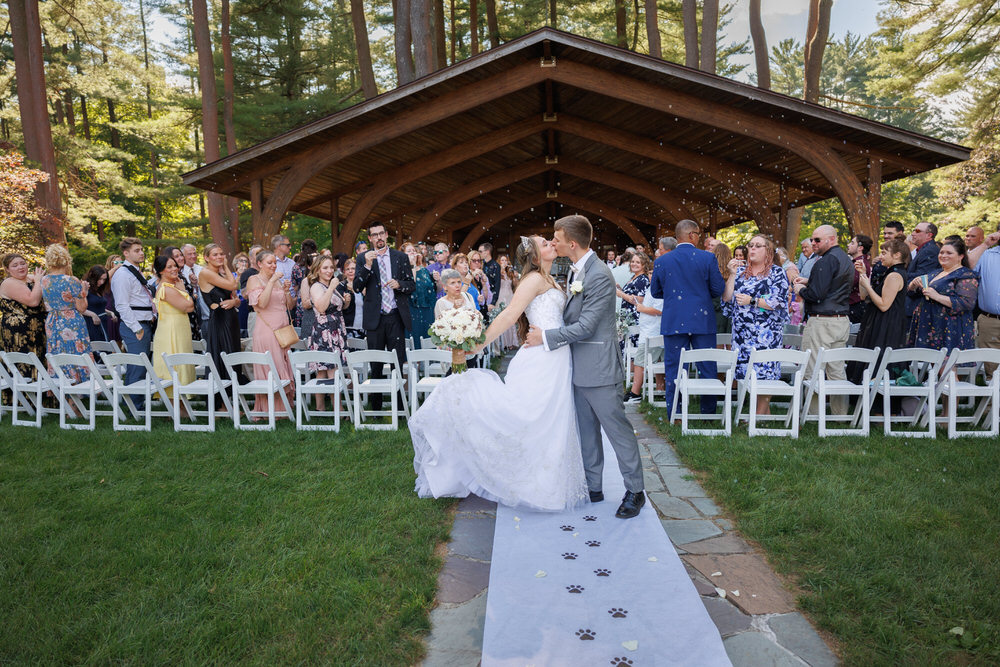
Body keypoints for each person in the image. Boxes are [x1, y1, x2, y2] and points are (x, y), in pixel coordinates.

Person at [411, 237, 587, 512]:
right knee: (529, 417)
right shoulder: (532, 280)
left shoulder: (550, 279)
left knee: (549, 419)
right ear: (534, 255)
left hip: (554, 357)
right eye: (545, 243)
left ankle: (547, 478)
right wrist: (479, 343)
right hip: (541, 360)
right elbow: (509, 315)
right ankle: (520, 477)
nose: (552, 243)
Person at [525, 215, 646, 519]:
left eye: (557, 238)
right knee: (587, 432)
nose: (554, 242)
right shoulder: (576, 270)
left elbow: (588, 326)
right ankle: (594, 486)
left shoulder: (600, 275)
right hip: (576, 366)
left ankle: (635, 491)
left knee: (617, 430)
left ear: (572, 243)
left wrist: (546, 337)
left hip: (600, 366)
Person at [649, 219, 725, 420]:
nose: (700, 237)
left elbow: (655, 291)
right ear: (691, 235)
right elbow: (718, 290)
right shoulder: (707, 258)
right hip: (702, 319)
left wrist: (676, 296)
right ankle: (708, 414)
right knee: (707, 366)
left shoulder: (662, 261)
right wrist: (700, 294)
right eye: (699, 233)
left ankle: (676, 413)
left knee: (674, 368)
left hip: (674, 320)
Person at [721, 235, 789, 415]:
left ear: (768, 251)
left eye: (758, 246)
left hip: (766, 334)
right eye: (750, 245)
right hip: (742, 334)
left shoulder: (776, 273)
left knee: (765, 372)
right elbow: (727, 298)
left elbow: (779, 302)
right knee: (747, 372)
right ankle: (763, 412)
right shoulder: (742, 273)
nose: (752, 249)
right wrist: (733, 275)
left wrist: (753, 301)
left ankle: (758, 414)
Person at [353, 221, 415, 410]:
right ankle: (376, 409)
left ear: (386, 235)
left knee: (397, 363)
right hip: (375, 319)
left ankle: (398, 406)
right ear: (370, 238)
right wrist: (368, 266)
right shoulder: (363, 258)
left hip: (396, 316)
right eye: (375, 235)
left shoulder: (400, 257)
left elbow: (411, 285)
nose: (379, 237)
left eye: (381, 233)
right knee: (376, 364)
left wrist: (400, 285)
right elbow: (357, 287)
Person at [793, 225, 854, 415]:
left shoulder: (825, 261)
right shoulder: (845, 259)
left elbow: (817, 295)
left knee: (813, 369)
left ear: (832, 239)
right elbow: (833, 286)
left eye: (817, 240)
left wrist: (800, 290)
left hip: (822, 321)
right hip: (841, 321)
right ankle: (840, 415)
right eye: (812, 240)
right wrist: (809, 281)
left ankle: (812, 415)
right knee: (837, 370)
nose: (813, 243)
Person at [850, 238, 909, 385]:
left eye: (884, 253)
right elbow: (864, 296)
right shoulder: (888, 272)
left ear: (897, 255)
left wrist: (868, 286)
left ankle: (878, 400)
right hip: (878, 321)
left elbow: (884, 305)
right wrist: (863, 274)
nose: (880, 256)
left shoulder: (895, 275)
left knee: (881, 360)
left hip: (887, 325)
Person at [907, 238, 978, 351]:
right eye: (941, 252)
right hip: (929, 324)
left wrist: (937, 296)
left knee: (946, 366)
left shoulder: (966, 275)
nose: (943, 255)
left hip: (949, 326)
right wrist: (913, 285)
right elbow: (914, 294)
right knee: (931, 364)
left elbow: (967, 303)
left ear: (961, 256)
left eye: (949, 253)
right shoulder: (936, 272)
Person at [246, 250, 296, 413]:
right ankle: (270, 409)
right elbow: (261, 303)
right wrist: (272, 281)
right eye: (270, 263)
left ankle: (285, 406)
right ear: (259, 264)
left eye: (275, 262)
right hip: (267, 330)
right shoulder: (254, 280)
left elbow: (288, 306)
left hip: (283, 329)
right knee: (272, 367)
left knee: (282, 363)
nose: (274, 265)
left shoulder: (277, 281)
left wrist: (287, 291)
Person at [41, 244, 91, 382]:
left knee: (57, 351)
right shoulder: (72, 280)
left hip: (52, 320)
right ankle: (77, 388)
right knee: (75, 351)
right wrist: (84, 292)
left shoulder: (44, 280)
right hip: (71, 320)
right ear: (67, 260)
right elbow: (82, 308)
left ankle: (61, 386)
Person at [306, 255, 348, 410]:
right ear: (317, 270)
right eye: (325, 268)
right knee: (332, 370)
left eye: (331, 267)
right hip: (325, 333)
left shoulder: (330, 285)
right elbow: (322, 307)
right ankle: (339, 409)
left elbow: (335, 307)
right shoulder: (317, 286)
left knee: (323, 371)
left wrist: (345, 302)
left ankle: (320, 407)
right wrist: (331, 288)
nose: (329, 271)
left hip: (336, 330)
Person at [151, 255, 194, 401]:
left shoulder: (172, 286)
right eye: (169, 267)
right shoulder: (166, 289)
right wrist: (184, 291)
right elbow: (189, 307)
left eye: (174, 265)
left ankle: (181, 405)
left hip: (178, 328)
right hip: (171, 331)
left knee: (181, 361)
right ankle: (176, 404)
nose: (174, 269)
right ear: (161, 271)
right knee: (175, 364)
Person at [199, 244, 243, 384]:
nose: (219, 257)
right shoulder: (206, 273)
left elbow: (237, 297)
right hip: (219, 321)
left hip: (231, 319)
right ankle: (221, 400)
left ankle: (233, 394)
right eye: (215, 254)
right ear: (206, 258)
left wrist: (233, 302)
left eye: (221, 254)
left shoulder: (220, 274)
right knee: (224, 354)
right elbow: (233, 285)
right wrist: (227, 267)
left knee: (233, 353)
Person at [0, 253, 47, 379]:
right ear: (7, 270)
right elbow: (33, 301)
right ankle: (24, 397)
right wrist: (38, 281)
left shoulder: (29, 279)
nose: (20, 267)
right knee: (24, 363)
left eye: (22, 263)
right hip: (19, 333)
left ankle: (43, 396)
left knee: (40, 359)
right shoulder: (9, 283)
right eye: (15, 265)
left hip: (38, 328)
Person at [969, 227, 1000, 377]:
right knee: (991, 372)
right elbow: (966, 266)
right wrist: (986, 243)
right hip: (990, 320)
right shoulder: (987, 254)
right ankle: (991, 401)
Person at [906, 222, 941, 329]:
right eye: (913, 230)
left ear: (929, 235)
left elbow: (921, 278)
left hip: (917, 305)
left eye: (917, 231)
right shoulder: (923, 250)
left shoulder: (930, 251)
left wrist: (898, 273)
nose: (913, 234)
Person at [616, 252, 651, 359]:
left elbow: (640, 300)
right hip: (627, 317)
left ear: (644, 265)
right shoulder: (634, 277)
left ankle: (632, 374)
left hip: (634, 318)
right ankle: (627, 373)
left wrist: (621, 294)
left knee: (632, 350)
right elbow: (631, 295)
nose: (634, 264)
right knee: (625, 348)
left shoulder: (642, 279)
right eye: (632, 261)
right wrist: (621, 289)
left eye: (638, 262)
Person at [404, 242, 435, 347]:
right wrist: (412, 265)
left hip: (427, 309)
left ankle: (428, 362)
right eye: (409, 251)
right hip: (413, 310)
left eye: (414, 250)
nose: (413, 253)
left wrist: (438, 281)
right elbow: (412, 286)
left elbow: (433, 291)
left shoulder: (424, 270)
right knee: (415, 341)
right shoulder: (402, 270)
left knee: (428, 341)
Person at [82, 265, 115, 343]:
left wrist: (110, 313)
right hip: (91, 324)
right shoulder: (85, 287)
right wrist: (93, 315)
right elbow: (80, 308)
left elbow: (98, 307)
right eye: (99, 279)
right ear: (93, 277)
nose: (102, 282)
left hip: (103, 323)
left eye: (104, 279)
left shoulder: (98, 289)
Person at [847, 234, 873, 324]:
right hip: (852, 306)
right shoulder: (854, 262)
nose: (848, 245)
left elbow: (851, 283)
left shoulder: (860, 264)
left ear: (860, 248)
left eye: (852, 243)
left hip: (855, 307)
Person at [291, 238, 317, 328]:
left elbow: (294, 285)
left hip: (301, 297)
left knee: (302, 328)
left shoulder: (296, 266)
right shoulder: (316, 264)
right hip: (316, 296)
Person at [496, 254, 518, 350]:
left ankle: (511, 342)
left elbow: (514, 285)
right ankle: (503, 343)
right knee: (502, 318)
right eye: (502, 260)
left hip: (509, 296)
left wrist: (515, 277)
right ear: (499, 262)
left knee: (511, 319)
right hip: (501, 296)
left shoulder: (509, 273)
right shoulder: (497, 273)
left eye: (505, 260)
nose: (504, 262)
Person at [338, 258, 364, 338]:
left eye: (353, 268)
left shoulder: (363, 285)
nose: (350, 271)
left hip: (364, 328)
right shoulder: (341, 287)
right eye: (347, 269)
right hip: (348, 328)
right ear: (344, 272)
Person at [712, 242, 733, 335]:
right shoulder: (733, 272)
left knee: (718, 341)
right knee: (729, 339)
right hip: (730, 310)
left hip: (715, 310)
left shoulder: (712, 271)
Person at [102, 255, 123, 343]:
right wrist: (116, 268)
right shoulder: (106, 275)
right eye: (116, 263)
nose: (119, 265)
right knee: (112, 339)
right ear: (110, 264)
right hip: (109, 308)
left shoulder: (123, 275)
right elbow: (106, 278)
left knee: (121, 339)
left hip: (120, 309)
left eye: (121, 262)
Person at [478, 242, 501, 308]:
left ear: (487, 252)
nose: (479, 254)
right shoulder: (480, 264)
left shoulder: (495, 266)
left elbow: (497, 284)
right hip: (480, 297)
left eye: (480, 251)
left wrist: (493, 302)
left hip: (489, 298)